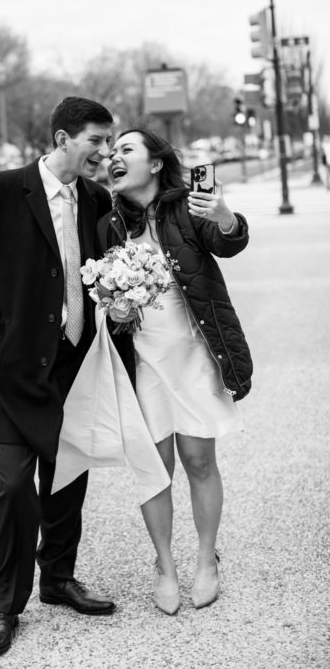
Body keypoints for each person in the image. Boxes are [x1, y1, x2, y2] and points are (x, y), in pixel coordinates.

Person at [0, 97, 117, 659]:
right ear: (64, 138)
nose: (104, 151)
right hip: (12, 369)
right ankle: (4, 603)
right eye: (96, 140)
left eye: (108, 140)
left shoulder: (95, 199)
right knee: (15, 484)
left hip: (76, 362)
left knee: (67, 475)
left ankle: (58, 578)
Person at [102, 128, 251, 615]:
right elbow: (101, 292)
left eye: (126, 149)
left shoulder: (187, 208)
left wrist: (226, 216)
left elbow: (228, 242)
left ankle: (206, 561)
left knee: (199, 460)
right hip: (143, 363)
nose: (114, 157)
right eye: (112, 152)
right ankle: (165, 566)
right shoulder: (110, 224)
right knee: (155, 467)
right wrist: (115, 309)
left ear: (156, 163)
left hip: (193, 356)